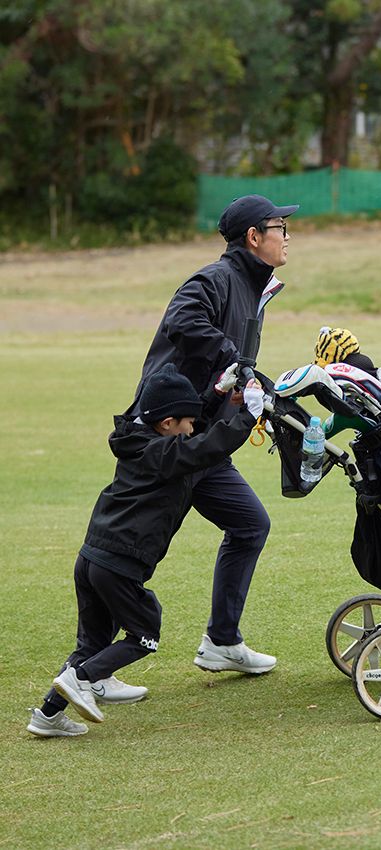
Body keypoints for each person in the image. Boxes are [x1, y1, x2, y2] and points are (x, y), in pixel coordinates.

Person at [27, 365, 269, 738]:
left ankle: (47, 714)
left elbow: (186, 430)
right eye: (188, 422)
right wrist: (248, 416)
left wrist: (217, 395)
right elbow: (204, 448)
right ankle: (84, 678)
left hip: (91, 557)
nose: (192, 428)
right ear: (167, 423)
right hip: (119, 565)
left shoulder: (140, 437)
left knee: (93, 643)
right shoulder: (164, 454)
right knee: (144, 633)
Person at [126, 194, 298, 682]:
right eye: (279, 226)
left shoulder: (252, 287)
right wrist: (234, 360)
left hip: (205, 444)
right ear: (253, 237)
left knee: (249, 525)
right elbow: (183, 322)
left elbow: (233, 372)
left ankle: (222, 641)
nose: (287, 235)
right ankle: (88, 668)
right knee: (128, 551)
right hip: (169, 442)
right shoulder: (216, 279)